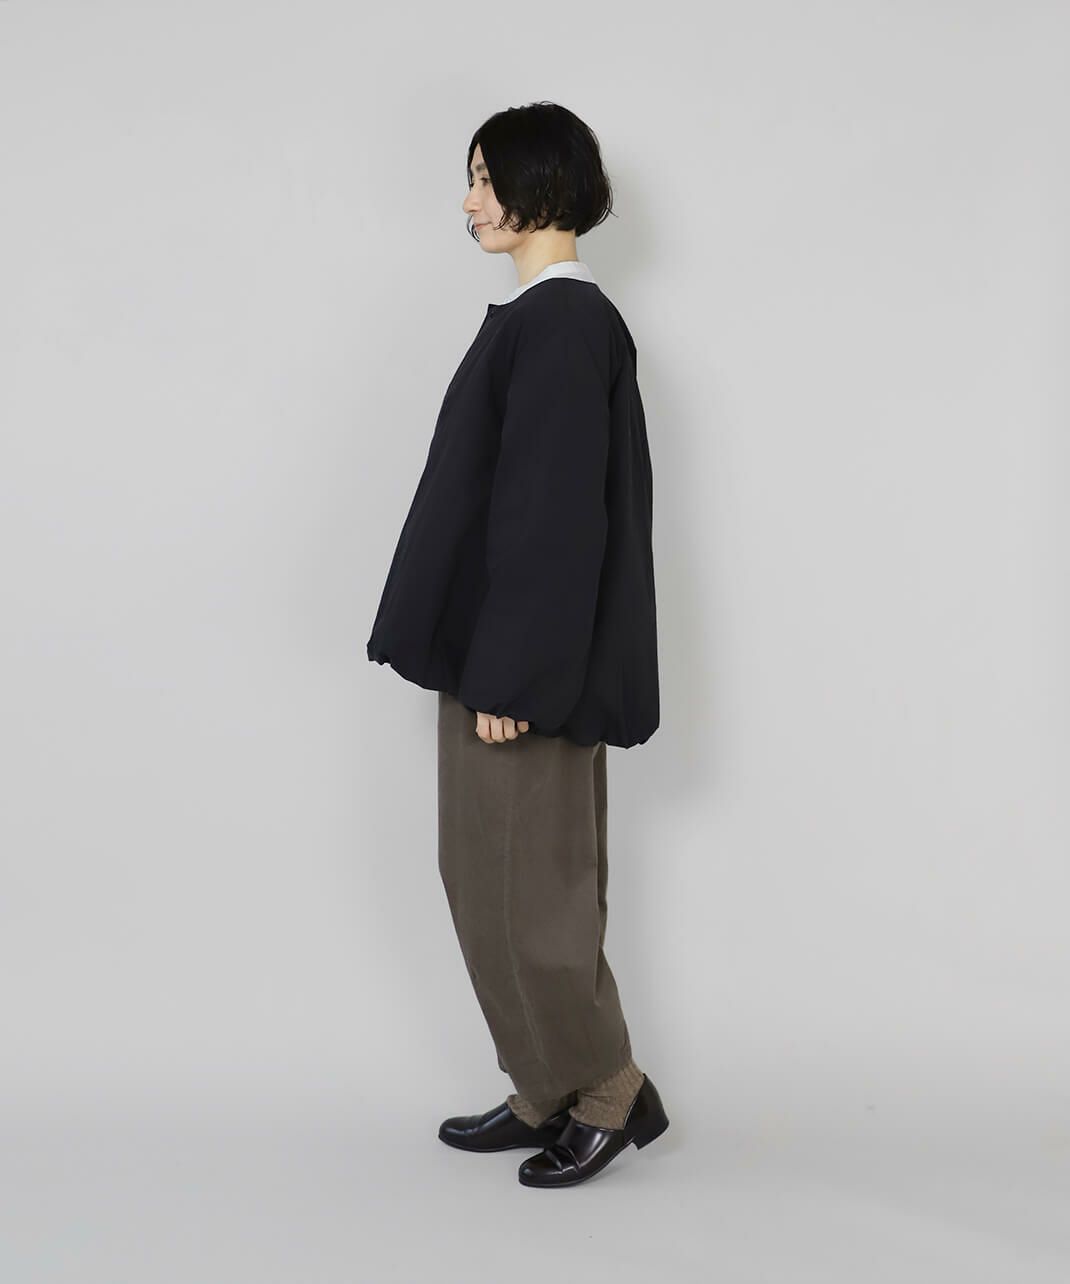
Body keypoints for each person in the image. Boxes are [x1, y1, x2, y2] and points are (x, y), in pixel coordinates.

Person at [366, 101, 667, 1188]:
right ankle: (544, 1084)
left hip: (522, 672)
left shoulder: (565, 323)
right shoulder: (538, 317)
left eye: (487, 179)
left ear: (544, 185)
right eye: (473, 178)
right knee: (482, 877)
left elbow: (552, 519)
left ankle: (607, 1089)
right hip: (495, 657)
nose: (469, 201)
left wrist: (515, 676)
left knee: (532, 892)